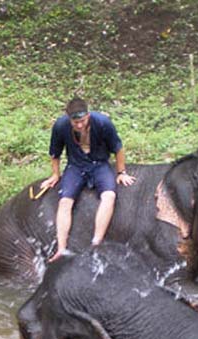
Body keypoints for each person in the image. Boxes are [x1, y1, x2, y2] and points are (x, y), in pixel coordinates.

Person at [41, 97, 135, 262]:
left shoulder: (103, 123)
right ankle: (61, 248)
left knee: (109, 196)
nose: (79, 125)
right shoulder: (61, 126)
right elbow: (55, 152)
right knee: (64, 201)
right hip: (76, 166)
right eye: (75, 122)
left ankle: (96, 242)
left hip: (99, 164)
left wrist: (121, 172)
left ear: (88, 115)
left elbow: (118, 149)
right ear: (68, 118)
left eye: (82, 121)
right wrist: (55, 174)